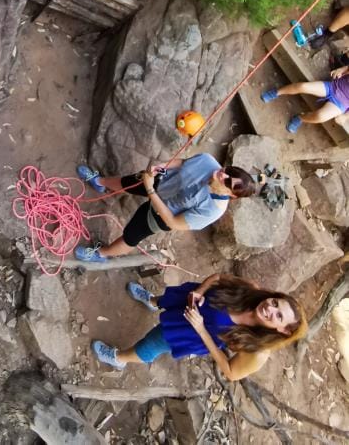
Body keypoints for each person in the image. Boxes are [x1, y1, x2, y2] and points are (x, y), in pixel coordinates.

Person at [91, 273, 307, 381]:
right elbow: (219, 277)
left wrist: (201, 329)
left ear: (283, 330)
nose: (270, 308)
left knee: (152, 344)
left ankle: (119, 358)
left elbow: (231, 373)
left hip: (191, 333)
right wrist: (200, 291)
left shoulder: (258, 350)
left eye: (278, 316)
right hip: (187, 302)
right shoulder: (252, 291)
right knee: (164, 300)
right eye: (275, 302)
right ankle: (151, 301)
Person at [74, 154, 257, 263]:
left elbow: (174, 222)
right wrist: (160, 168)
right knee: (127, 182)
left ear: (231, 195)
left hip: (161, 214)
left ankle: (101, 254)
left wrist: (150, 191)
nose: (223, 175)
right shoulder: (208, 161)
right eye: (229, 171)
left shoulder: (213, 210)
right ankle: (100, 182)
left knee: (131, 235)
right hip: (160, 181)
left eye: (228, 182)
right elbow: (183, 163)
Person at [261, 64, 349, 133]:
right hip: (334, 86)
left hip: (342, 103)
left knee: (320, 117)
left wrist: (345, 116)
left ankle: (300, 118)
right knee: (302, 87)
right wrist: (341, 69)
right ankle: (276, 92)